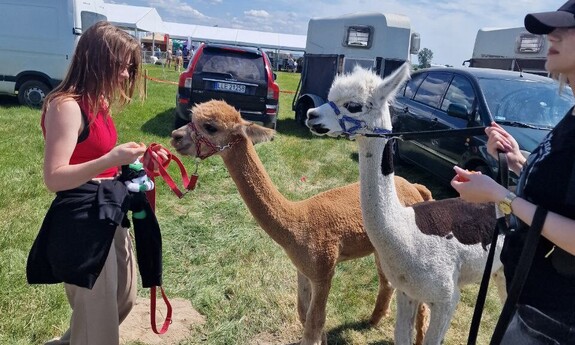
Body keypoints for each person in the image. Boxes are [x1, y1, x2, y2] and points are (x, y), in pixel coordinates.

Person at [25, 21, 167, 345]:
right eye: (122, 66)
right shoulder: (66, 106)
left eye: (130, 68)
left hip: (108, 210)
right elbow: (54, 177)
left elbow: (102, 163)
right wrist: (109, 160)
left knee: (123, 297)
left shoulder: (98, 102)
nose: (126, 75)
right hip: (82, 221)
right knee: (99, 325)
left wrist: (133, 163)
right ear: (97, 58)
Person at [451, 1, 575, 343]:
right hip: (534, 305)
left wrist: (500, 197)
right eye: (553, 27)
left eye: (568, 27)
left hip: (557, 324)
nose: (553, 34)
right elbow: (562, 194)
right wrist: (518, 161)